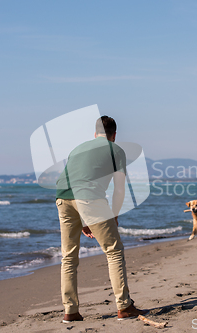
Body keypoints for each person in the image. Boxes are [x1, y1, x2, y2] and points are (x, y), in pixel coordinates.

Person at [55, 115, 147, 322]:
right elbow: (119, 189)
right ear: (114, 135)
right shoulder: (116, 150)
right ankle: (124, 307)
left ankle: (70, 311)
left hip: (62, 197)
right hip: (89, 198)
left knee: (68, 257)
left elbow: (76, 179)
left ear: (94, 134)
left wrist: (85, 220)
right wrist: (113, 214)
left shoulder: (78, 148)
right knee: (114, 251)